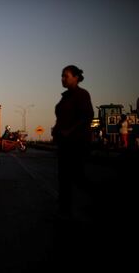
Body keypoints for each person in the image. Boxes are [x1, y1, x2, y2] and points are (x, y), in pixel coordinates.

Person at [52, 65, 94, 220]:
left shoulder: (81, 94)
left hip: (76, 142)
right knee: (64, 178)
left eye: (66, 76)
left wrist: (69, 131)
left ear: (76, 77)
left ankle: (100, 199)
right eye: (62, 76)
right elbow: (61, 118)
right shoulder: (66, 96)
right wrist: (56, 129)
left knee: (77, 177)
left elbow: (86, 116)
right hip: (64, 143)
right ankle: (64, 211)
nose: (63, 79)